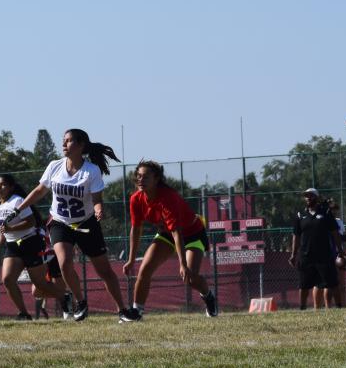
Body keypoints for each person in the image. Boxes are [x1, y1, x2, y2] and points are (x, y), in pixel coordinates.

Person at [13, 129, 128, 321]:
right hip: (60, 223)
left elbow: (97, 199)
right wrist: (20, 207)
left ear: (81, 145)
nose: (64, 144)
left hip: (86, 223)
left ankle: (122, 310)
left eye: (68, 141)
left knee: (104, 270)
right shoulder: (54, 166)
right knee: (64, 262)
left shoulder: (91, 170)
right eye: (63, 140)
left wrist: (99, 209)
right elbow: (40, 190)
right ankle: (80, 301)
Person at [121, 160, 218, 320]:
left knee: (191, 277)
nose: (140, 180)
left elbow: (177, 232)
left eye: (145, 177)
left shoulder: (168, 197)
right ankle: (136, 312)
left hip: (192, 233)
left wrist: (183, 264)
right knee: (144, 270)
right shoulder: (136, 199)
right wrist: (131, 259)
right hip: (167, 235)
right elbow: (136, 229)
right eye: (138, 176)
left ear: (156, 179)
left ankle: (208, 296)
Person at [0, 174, 64, 320]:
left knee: (40, 284)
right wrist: (0, 243)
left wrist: (11, 229)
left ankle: (66, 298)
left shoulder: (17, 201)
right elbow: (3, 228)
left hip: (30, 243)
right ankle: (24, 313)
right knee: (7, 280)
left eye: (3, 184)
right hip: (13, 246)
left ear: (11, 187)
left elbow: (30, 222)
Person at [288, 187, 340, 310]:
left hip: (324, 254)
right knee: (304, 285)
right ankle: (302, 308)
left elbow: (334, 232)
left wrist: (340, 251)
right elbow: (296, 236)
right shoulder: (300, 215)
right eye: (306, 196)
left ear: (316, 198)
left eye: (310, 195)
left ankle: (339, 306)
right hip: (306, 255)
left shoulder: (326, 213)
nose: (308, 198)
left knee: (332, 283)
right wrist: (293, 254)